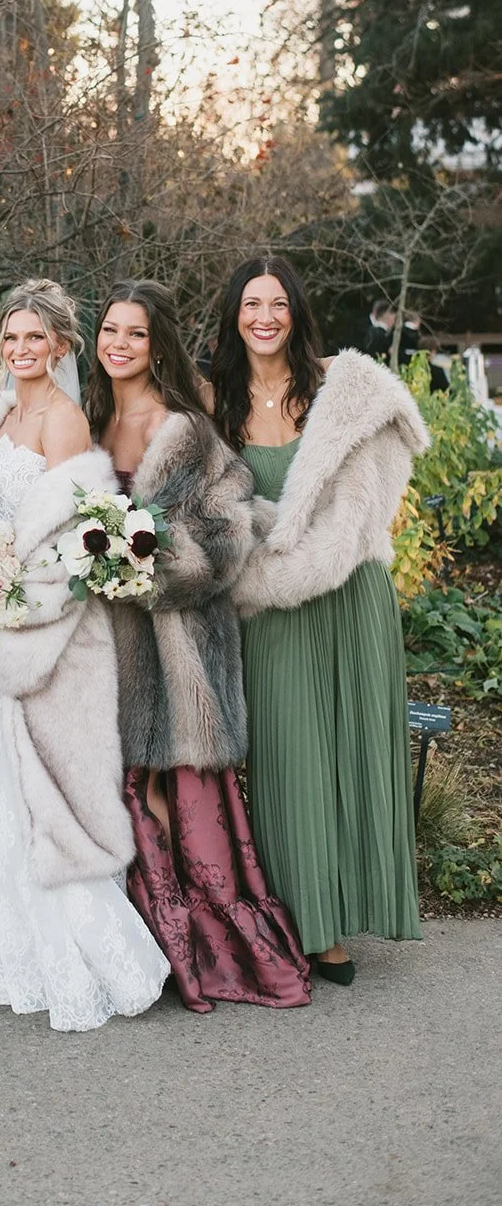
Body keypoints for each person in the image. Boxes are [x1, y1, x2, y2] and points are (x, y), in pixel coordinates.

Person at [0, 279, 169, 1031]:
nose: (20, 349)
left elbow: (60, 545)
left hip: (30, 631)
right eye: (10, 338)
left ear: (59, 345)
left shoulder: (60, 421)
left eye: (34, 338)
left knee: (29, 791)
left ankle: (64, 952)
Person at [89, 280, 310, 1012]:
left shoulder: (184, 428)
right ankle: (127, 952)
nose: (119, 344)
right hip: (102, 650)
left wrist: (139, 560)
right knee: (114, 794)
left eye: (135, 334)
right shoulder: (86, 423)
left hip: (178, 651)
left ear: (158, 347)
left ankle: (204, 950)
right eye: (110, 331)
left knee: (178, 797)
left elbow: (223, 537)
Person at [212, 255, 427, 984]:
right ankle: (305, 922)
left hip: (351, 591)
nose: (263, 317)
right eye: (250, 304)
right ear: (233, 315)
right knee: (287, 756)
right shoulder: (215, 401)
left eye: (276, 303)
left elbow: (379, 492)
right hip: (268, 599)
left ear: (295, 313)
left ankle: (348, 916)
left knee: (353, 749)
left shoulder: (340, 390)